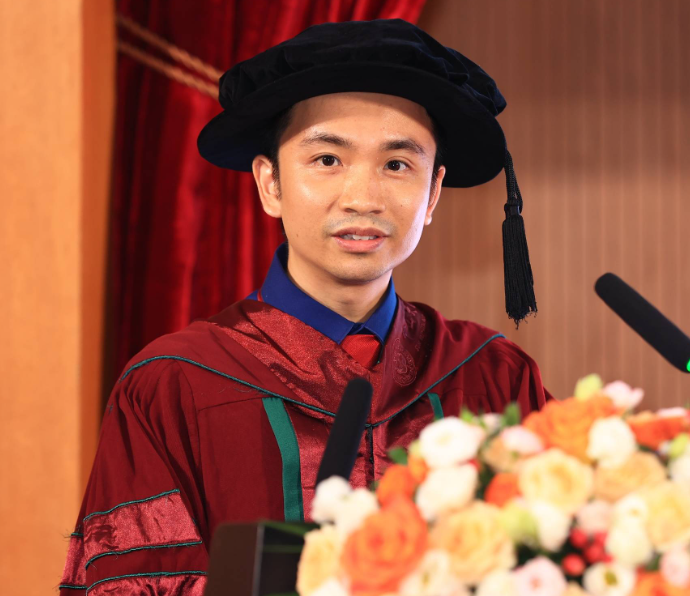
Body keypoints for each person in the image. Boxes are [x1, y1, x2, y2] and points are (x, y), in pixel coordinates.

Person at [59, 18, 551, 595]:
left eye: (397, 164)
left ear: (433, 193)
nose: (363, 198)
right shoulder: (174, 385)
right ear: (270, 184)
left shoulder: (493, 375)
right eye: (327, 160)